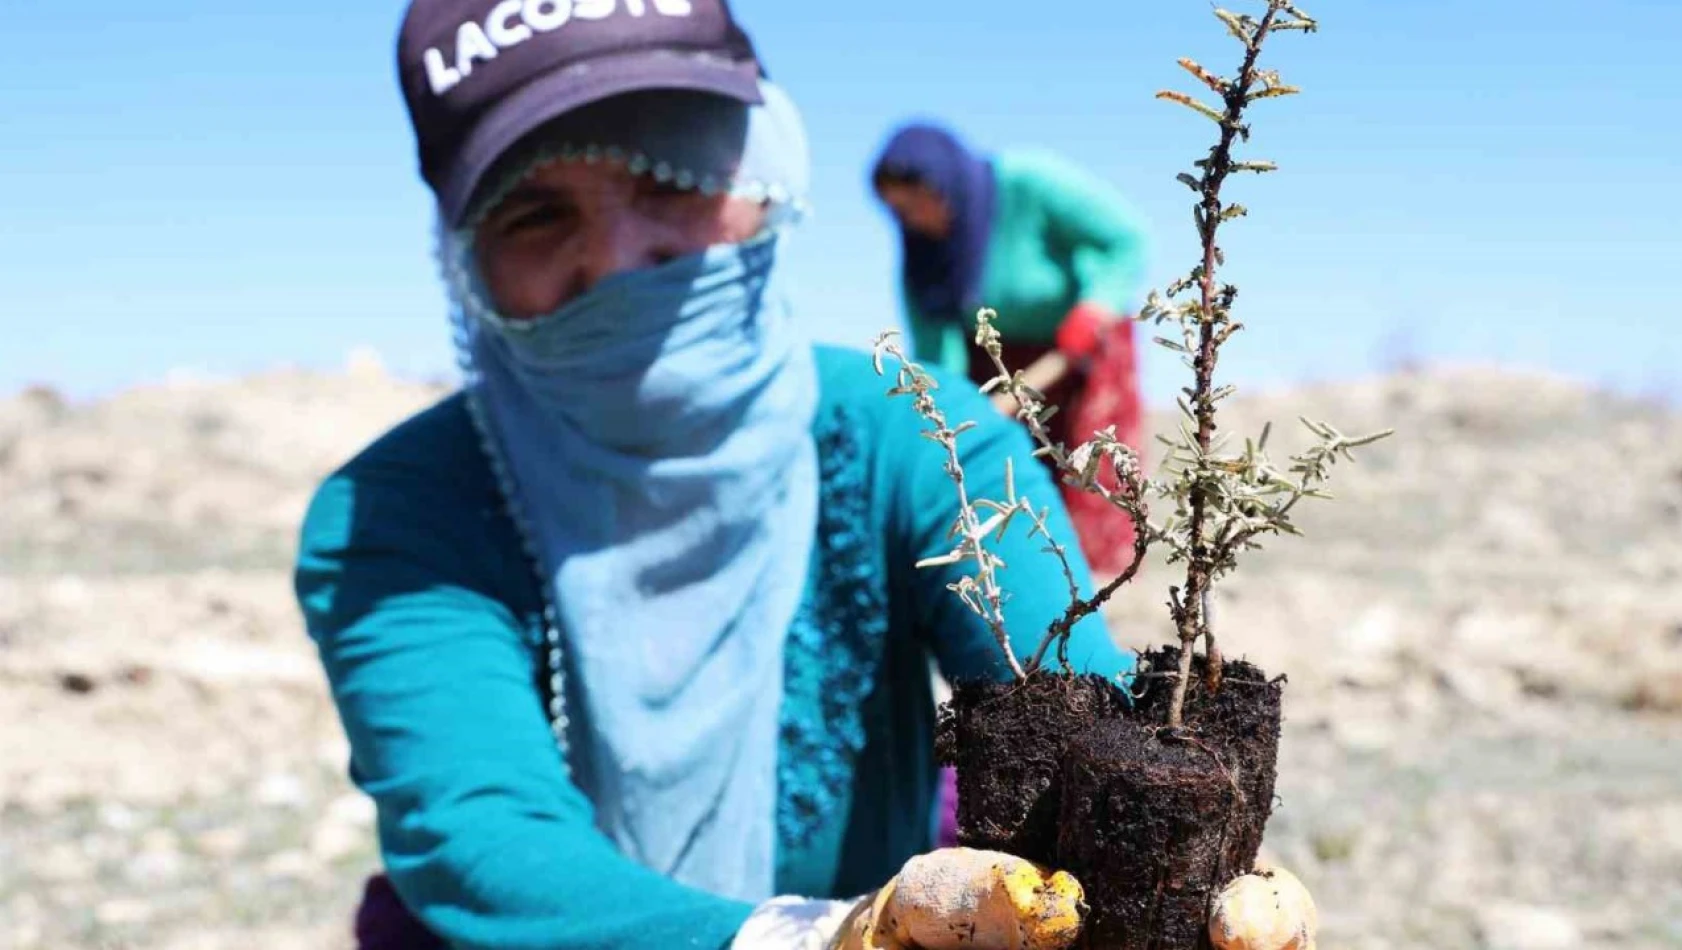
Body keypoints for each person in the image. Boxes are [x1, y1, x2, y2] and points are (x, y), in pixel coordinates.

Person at [293, 2, 1316, 948]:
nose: (623, 255)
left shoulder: (917, 440)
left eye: (672, 172)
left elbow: (1067, 710)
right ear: (465, 259)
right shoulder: (395, 512)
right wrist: (813, 937)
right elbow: (485, 843)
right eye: (534, 216)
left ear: (766, 170)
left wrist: (1169, 866)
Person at [871, 123, 1150, 575]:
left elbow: (1124, 239)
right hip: (998, 366)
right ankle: (1024, 580)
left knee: (1089, 473)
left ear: (945, 182)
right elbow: (938, 353)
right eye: (899, 210)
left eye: (919, 198)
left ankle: (1100, 589)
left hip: (1078, 347)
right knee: (1003, 481)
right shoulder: (924, 260)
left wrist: (1097, 306)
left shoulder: (1028, 183)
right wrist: (955, 412)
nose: (915, 217)